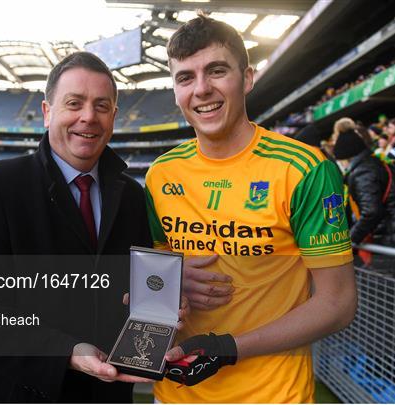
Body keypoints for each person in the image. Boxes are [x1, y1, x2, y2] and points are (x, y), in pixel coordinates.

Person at [145, 14, 357, 403]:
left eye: (217, 71)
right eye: (185, 77)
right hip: (174, 393)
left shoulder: (303, 169)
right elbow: (154, 279)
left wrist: (229, 348)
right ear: (174, 90)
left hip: (273, 395)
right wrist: (169, 279)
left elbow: (338, 303)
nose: (202, 89)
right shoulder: (161, 174)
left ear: (247, 78)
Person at [0, 52, 154, 403]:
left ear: (114, 117)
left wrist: (161, 300)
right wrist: (66, 353)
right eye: (74, 103)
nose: (88, 116)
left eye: (101, 106)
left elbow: (137, 291)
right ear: (47, 112)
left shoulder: (131, 195)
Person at [333, 129, 395, 251]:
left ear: (347, 158)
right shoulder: (373, 162)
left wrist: (350, 239)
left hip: (390, 234)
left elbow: (371, 211)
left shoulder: (363, 172)